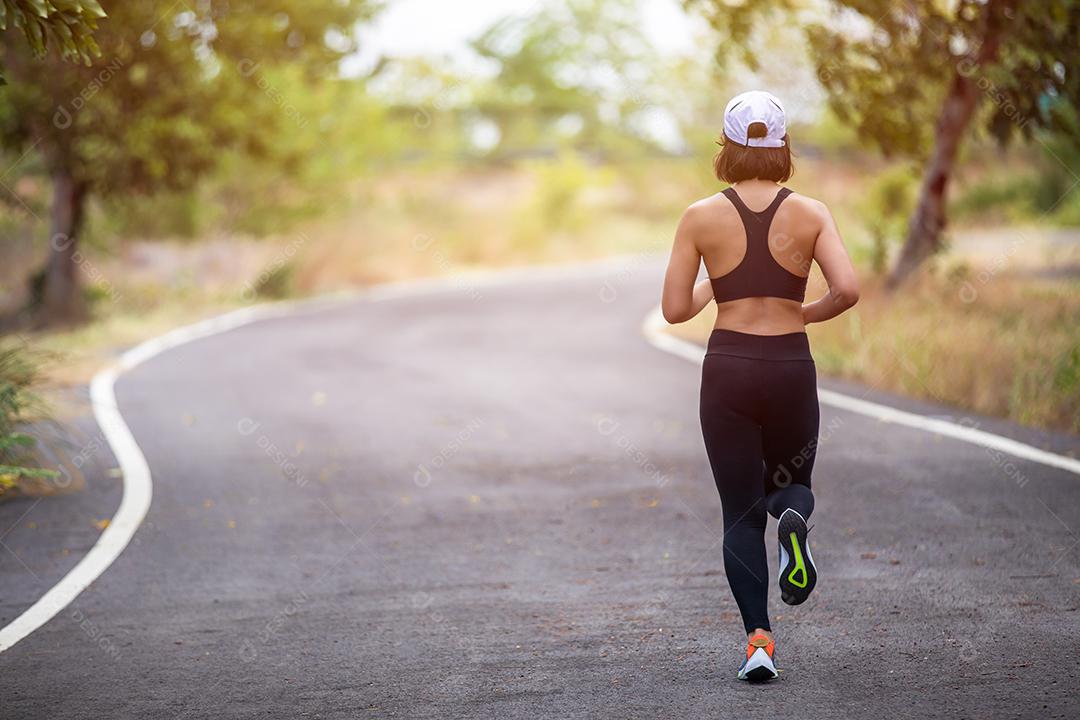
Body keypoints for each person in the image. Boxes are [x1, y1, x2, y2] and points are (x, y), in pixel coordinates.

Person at [660, 90, 860, 681]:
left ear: (726, 148)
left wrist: (719, 286)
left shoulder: (699, 216)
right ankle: (794, 525)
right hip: (789, 366)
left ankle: (759, 643)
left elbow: (673, 310)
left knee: (740, 514)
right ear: (783, 147)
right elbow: (846, 289)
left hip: (728, 368)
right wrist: (803, 313)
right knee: (791, 484)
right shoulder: (812, 212)